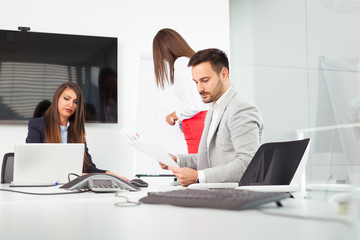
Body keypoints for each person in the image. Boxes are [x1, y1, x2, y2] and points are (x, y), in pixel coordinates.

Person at [160, 48, 263, 186]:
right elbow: (209, 159)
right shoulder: (213, 110)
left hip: (231, 196)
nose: (199, 89)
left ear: (224, 74)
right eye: (196, 82)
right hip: (214, 190)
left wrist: (198, 176)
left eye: (205, 80)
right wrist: (178, 160)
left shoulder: (241, 109)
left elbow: (247, 165)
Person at [26, 82, 126, 179]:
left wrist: (109, 174)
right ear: (57, 99)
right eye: (66, 99)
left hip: (71, 188)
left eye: (75, 102)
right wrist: (76, 175)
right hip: (46, 186)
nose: (70, 105)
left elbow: (88, 168)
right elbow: (35, 164)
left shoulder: (76, 131)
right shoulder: (36, 125)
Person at [153, 28, 208, 154]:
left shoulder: (181, 62)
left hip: (197, 124)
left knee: (196, 170)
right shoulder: (194, 61)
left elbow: (193, 106)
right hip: (202, 122)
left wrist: (173, 116)